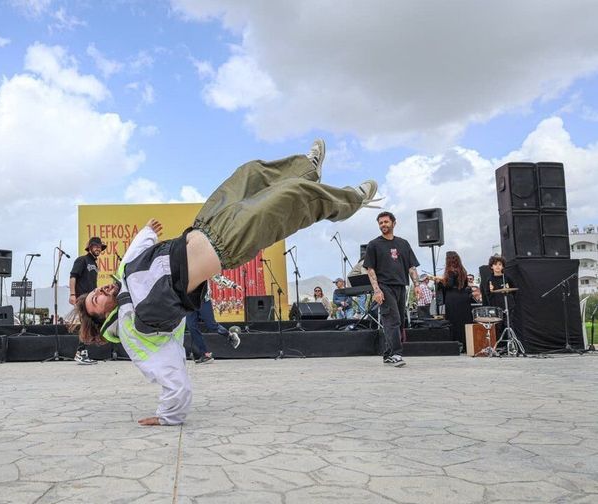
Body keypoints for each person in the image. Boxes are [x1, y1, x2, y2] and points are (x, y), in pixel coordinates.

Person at [74, 140, 379, 425]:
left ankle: (308, 167)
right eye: (95, 301)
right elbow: (167, 368)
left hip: (205, 224)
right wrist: (170, 413)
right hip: (228, 245)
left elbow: (134, 251)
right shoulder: (132, 329)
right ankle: (352, 200)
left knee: (250, 173)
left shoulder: (124, 275)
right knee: (293, 198)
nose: (99, 292)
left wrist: (147, 232)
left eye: (95, 291)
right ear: (103, 318)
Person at [365, 211, 421, 368]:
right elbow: (370, 269)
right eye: (380, 223)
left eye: (386, 222)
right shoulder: (374, 244)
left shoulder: (403, 244)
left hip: (401, 286)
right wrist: (377, 290)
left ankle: (388, 354)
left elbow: (411, 266)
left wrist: (416, 285)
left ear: (394, 223)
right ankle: (397, 353)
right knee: (392, 319)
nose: (383, 225)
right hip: (384, 286)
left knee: (400, 322)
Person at [187, 275, 241, 364]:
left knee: (211, 325)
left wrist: (233, 285)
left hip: (203, 300)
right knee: (191, 327)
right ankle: (205, 354)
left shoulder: (202, 265)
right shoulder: (182, 266)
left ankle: (230, 335)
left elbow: (216, 277)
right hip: (189, 302)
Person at [68, 237, 106, 365]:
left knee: (89, 326)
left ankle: (83, 353)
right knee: (86, 325)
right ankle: (80, 353)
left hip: (90, 298)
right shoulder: (82, 260)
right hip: (82, 298)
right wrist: (72, 294)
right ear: (89, 247)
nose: (98, 249)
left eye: (100, 247)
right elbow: (73, 277)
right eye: (95, 246)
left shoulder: (94, 264)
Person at [433, 251, 473, 351]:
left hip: (453, 298)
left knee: (453, 322)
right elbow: (465, 285)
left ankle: (455, 345)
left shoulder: (450, 271)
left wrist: (440, 282)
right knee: (464, 321)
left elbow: (449, 285)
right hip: (464, 298)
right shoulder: (463, 270)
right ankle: (466, 344)